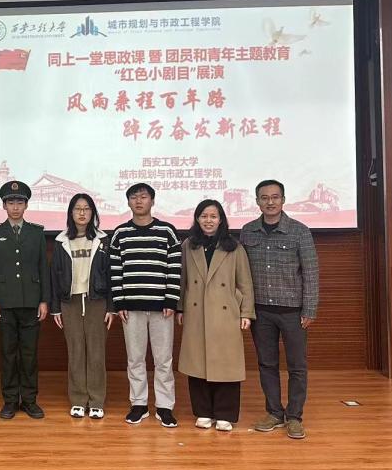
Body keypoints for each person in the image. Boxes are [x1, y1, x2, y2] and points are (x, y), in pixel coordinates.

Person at [240, 179, 320, 440]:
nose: (270, 202)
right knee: (267, 364)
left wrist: (309, 309)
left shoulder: (300, 231)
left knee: (297, 366)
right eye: (264, 198)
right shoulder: (248, 231)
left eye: (275, 197)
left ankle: (294, 417)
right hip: (260, 311)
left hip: (293, 312)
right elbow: (241, 274)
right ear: (257, 201)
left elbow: (311, 273)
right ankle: (274, 412)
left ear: (283, 200)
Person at [177, 199, 255, 431]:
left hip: (226, 313)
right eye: (204, 216)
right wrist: (180, 308)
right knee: (197, 362)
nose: (208, 220)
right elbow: (182, 280)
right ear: (197, 219)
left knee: (226, 364)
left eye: (213, 216)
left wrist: (246, 312)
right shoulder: (189, 245)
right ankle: (203, 412)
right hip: (196, 311)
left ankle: (225, 414)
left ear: (221, 220)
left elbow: (245, 282)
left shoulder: (234, 247)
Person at [110, 182, 182, 428]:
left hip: (163, 308)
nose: (139, 201)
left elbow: (174, 268)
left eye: (143, 197)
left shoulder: (167, 231)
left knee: (164, 360)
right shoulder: (120, 234)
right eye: (134, 197)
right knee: (135, 358)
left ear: (152, 200)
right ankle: (138, 404)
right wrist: (119, 302)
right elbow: (115, 271)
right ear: (128, 202)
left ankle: (165, 407)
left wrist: (171, 300)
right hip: (131, 308)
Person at [0, 180, 50, 419]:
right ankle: (10, 400)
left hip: (31, 302)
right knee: (8, 354)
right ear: (4, 205)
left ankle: (30, 400)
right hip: (4, 303)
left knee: (29, 355)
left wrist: (44, 300)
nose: (15, 207)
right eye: (10, 202)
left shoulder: (36, 232)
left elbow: (43, 267)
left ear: (26, 205)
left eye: (19, 202)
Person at [49, 193, 114, 419]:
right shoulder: (61, 241)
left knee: (96, 352)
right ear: (71, 213)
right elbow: (55, 276)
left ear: (93, 213)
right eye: (78, 209)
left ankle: (96, 400)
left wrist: (111, 307)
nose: (82, 213)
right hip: (71, 303)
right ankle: (78, 399)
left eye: (87, 209)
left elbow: (111, 275)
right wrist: (55, 308)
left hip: (97, 301)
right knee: (76, 351)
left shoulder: (104, 241)